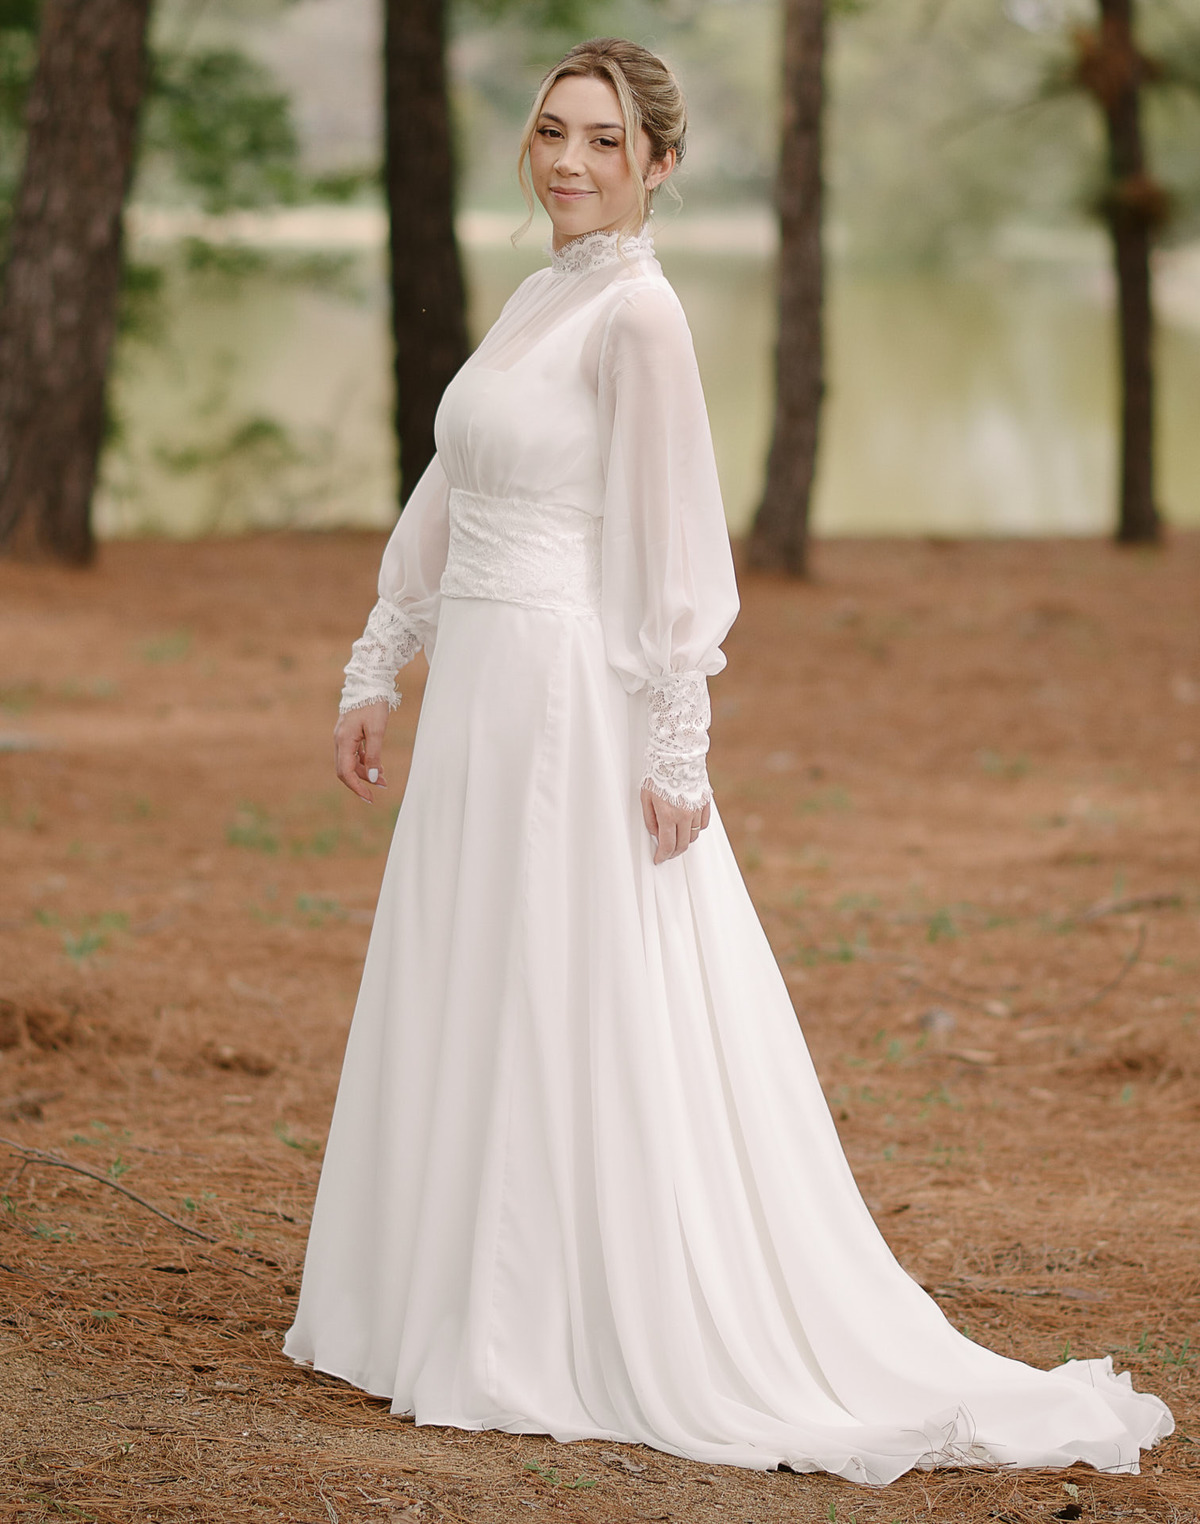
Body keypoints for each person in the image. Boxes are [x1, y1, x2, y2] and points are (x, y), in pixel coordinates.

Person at [283, 38, 1172, 1484]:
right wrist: (379, 658)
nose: (568, 162)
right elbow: (456, 481)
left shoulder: (639, 317)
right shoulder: (538, 294)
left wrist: (677, 742)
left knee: (570, 991)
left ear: (660, 167)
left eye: (604, 143)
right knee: (473, 974)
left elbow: (674, 545)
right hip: (481, 704)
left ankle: (542, 1317)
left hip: (569, 700)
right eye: (553, 133)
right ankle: (430, 1298)